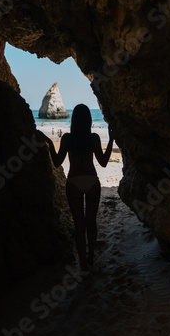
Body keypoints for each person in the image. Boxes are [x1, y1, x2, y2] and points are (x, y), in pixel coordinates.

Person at [38, 104, 114, 273]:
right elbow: (103, 162)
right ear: (88, 121)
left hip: (73, 182)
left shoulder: (67, 138)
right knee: (91, 222)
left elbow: (57, 163)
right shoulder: (94, 138)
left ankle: (83, 263)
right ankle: (91, 255)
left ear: (73, 120)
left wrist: (49, 141)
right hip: (92, 181)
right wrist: (111, 140)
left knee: (79, 225)